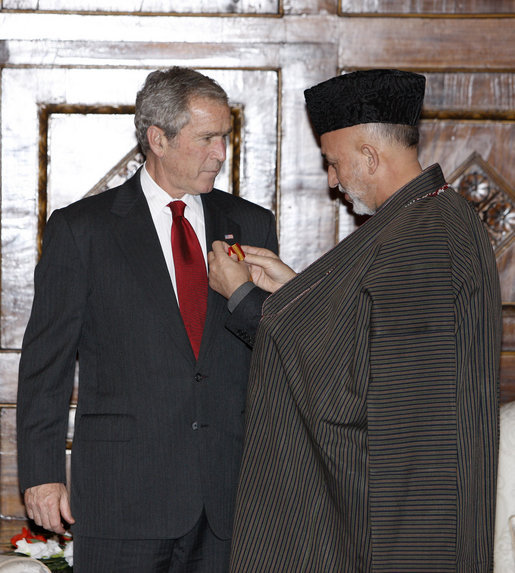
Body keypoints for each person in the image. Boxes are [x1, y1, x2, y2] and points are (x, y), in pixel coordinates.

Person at [209, 69, 502, 571]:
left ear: (369, 155)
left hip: (406, 535)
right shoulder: (427, 217)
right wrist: (300, 291)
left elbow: (360, 392)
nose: (332, 180)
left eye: (334, 163)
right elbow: (373, 332)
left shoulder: (422, 238)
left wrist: (244, 298)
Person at [16, 66, 278, 572]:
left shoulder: (249, 224)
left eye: (224, 137)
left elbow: (267, 349)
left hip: (226, 498)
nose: (221, 153)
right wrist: (41, 474)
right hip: (122, 499)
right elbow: (44, 364)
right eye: (207, 138)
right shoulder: (81, 230)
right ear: (157, 138)